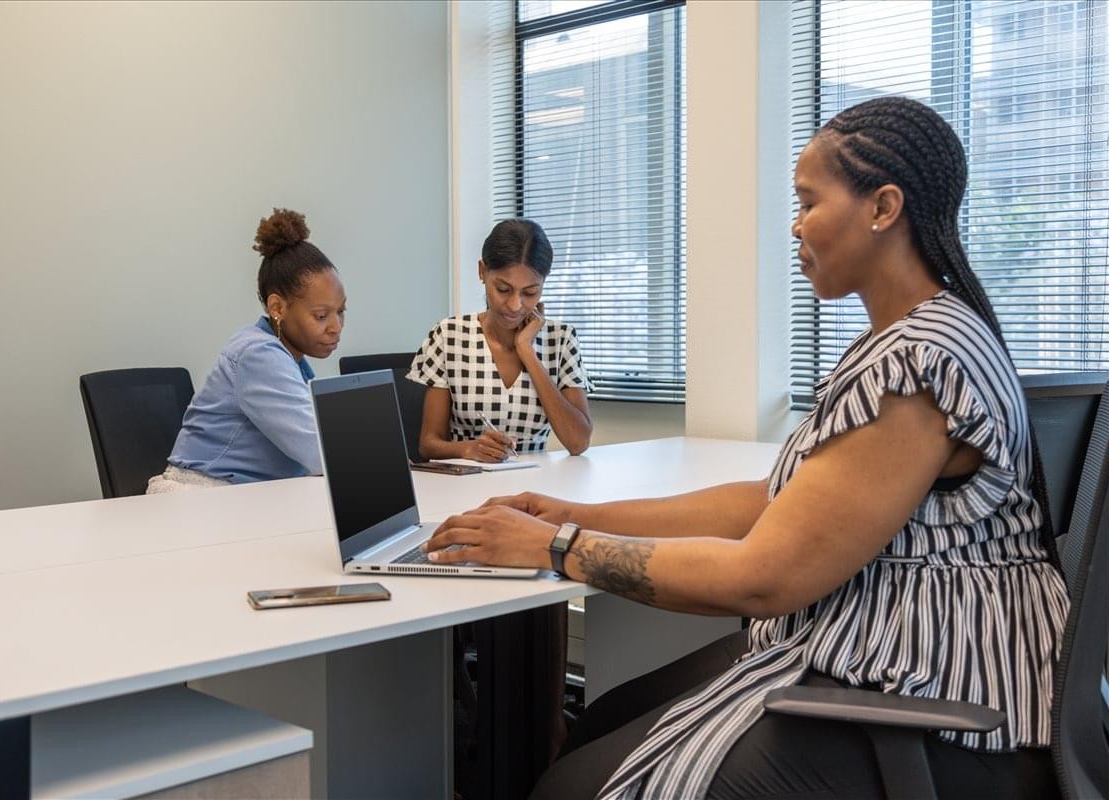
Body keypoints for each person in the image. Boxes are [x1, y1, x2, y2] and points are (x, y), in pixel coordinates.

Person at [424, 97, 1068, 799]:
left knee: (567, 788)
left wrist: (555, 547)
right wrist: (570, 515)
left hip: (932, 686)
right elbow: (770, 504)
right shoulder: (909, 341)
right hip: (885, 644)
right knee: (598, 723)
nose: (795, 225)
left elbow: (762, 579)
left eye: (808, 202)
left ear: (883, 208)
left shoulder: (918, 365)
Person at [147, 208, 346, 493]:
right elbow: (321, 452)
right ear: (277, 307)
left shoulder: (289, 360)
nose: (336, 327)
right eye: (321, 315)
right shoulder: (258, 355)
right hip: (202, 494)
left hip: (245, 495)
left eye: (341, 312)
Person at [407, 218, 593, 461]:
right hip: (467, 479)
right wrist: (468, 448)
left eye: (530, 293)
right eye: (503, 289)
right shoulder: (448, 336)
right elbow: (428, 445)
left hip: (537, 481)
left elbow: (578, 443)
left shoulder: (561, 339)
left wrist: (526, 351)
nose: (515, 305)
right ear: (482, 272)